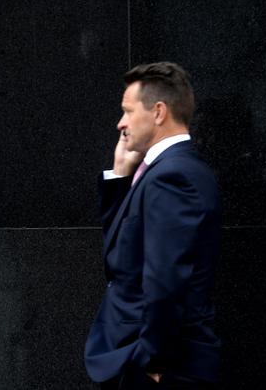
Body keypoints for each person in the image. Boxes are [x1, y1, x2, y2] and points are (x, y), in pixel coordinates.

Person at [84, 62, 222, 389]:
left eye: (128, 111)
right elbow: (123, 252)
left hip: (159, 369)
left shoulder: (174, 176)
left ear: (158, 112)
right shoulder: (165, 171)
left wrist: (152, 360)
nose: (121, 123)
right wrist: (120, 175)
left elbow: (167, 278)